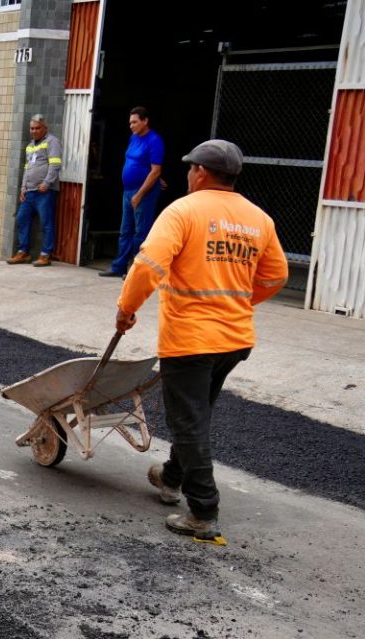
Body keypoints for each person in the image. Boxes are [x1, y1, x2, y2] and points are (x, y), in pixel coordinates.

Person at [114, 140, 288, 540]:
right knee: (195, 415)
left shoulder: (184, 211)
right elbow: (276, 276)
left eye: (191, 168)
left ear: (201, 173)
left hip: (191, 340)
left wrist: (126, 308)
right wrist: (239, 300)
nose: (189, 174)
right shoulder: (257, 219)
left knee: (188, 423)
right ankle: (171, 477)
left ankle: (203, 512)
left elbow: (149, 265)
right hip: (235, 339)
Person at [101, 107, 164, 279]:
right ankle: (119, 266)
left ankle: (136, 269)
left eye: (135, 122)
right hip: (128, 190)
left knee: (140, 232)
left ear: (145, 121)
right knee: (125, 230)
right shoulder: (133, 138)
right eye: (130, 122)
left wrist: (140, 194)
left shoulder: (154, 141)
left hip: (144, 193)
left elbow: (155, 170)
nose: (131, 125)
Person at [7, 115, 63, 267]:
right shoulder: (30, 146)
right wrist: (23, 188)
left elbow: (55, 165)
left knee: (46, 223)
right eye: (32, 128)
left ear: (45, 128)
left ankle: (45, 254)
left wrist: (46, 183)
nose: (34, 131)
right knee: (21, 219)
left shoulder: (52, 142)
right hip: (30, 192)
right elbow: (27, 168)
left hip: (45, 192)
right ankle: (23, 252)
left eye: (37, 128)